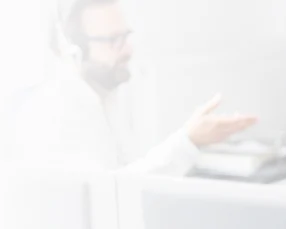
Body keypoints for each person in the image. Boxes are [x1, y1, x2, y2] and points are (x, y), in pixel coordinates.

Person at [7, 0, 256, 173]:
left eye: (125, 36)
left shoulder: (106, 96)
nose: (128, 50)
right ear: (74, 52)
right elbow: (111, 195)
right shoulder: (54, 112)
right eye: (113, 40)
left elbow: (133, 173)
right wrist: (188, 141)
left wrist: (192, 140)